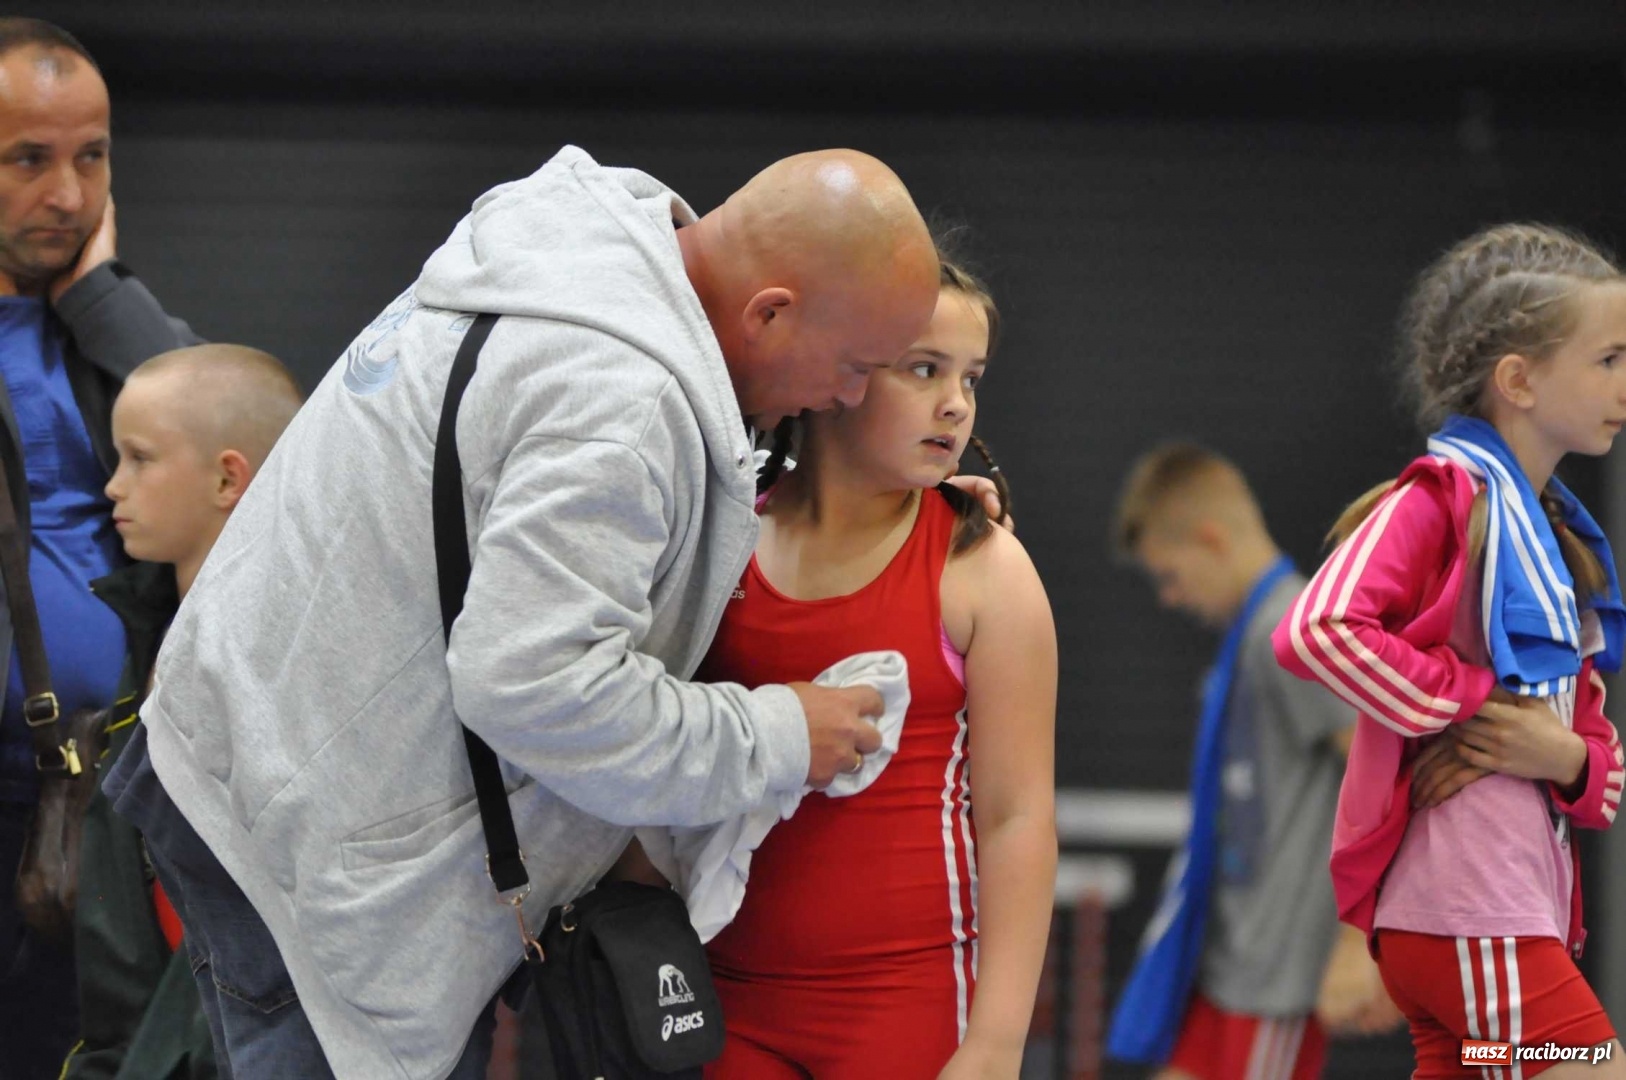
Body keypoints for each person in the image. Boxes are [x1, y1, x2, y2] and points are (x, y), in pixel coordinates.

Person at [100, 145, 978, 1080]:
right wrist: (777, 736)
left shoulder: (575, 249)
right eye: (854, 366)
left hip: (247, 756)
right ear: (768, 312)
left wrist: (918, 503)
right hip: (309, 851)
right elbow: (535, 683)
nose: (847, 400)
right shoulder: (620, 408)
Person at [688, 253, 1056, 1078]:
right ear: (841, 372)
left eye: (972, 376)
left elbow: (1017, 817)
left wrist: (998, 1040)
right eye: (924, 369)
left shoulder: (982, 569)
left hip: (908, 999)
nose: (955, 403)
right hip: (725, 995)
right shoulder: (720, 544)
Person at [1274, 223, 1626, 1078]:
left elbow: (1605, 779)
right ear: (1519, 380)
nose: (1625, 381)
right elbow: (1316, 629)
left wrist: (1560, 754)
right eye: (1609, 358)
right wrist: (1467, 700)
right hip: (1473, 912)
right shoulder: (1441, 498)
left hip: (1499, 913)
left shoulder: (1553, 539)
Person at [0, 18, 199, 1077]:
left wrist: (96, 296)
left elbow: (239, 452)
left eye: (91, 156)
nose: (69, 196)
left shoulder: (103, 327)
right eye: (29, 159)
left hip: (113, 797)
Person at [1106, 443, 1394, 1080]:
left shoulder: (1291, 630)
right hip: (1228, 963)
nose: (1169, 598)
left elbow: (1385, 776)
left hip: (1277, 979)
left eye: (1169, 575)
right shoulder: (1252, 635)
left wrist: (1360, 946)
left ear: (1210, 539)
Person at [62, 344, 302, 1080]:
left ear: (229, 477)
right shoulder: (154, 634)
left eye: (139, 459)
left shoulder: (279, 666)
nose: (112, 487)